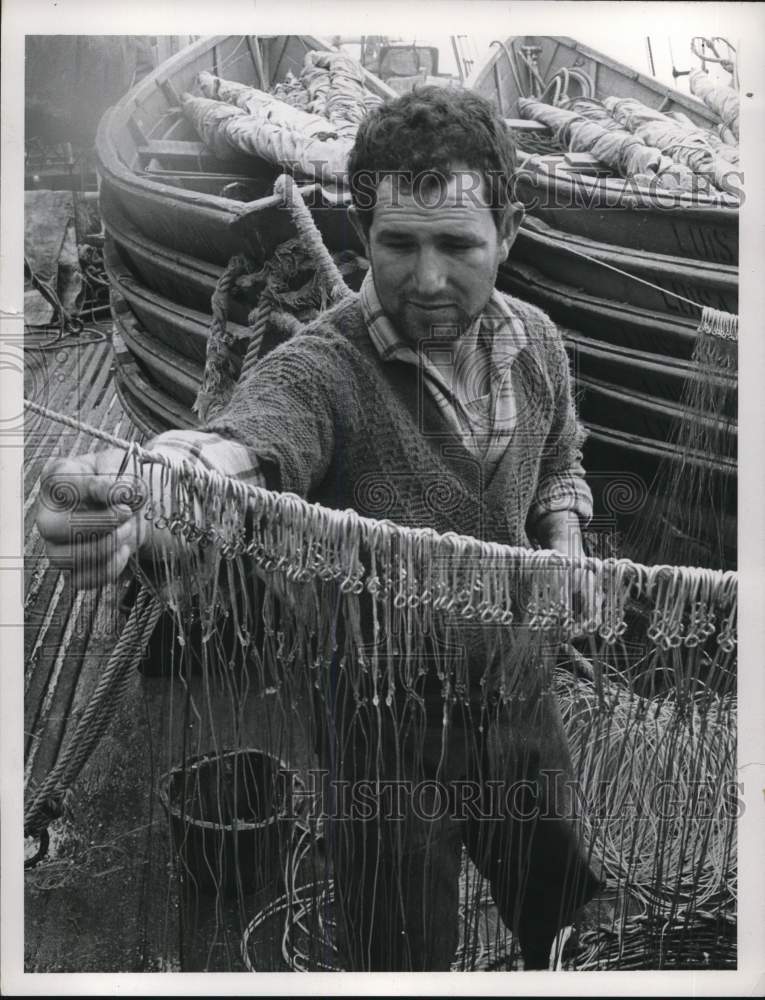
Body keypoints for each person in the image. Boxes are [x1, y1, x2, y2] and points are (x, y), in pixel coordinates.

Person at [36, 86, 602, 970]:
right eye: (395, 244)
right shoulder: (319, 372)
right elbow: (242, 453)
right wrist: (150, 492)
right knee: (400, 948)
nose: (425, 279)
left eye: (456, 245)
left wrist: (563, 540)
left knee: (559, 904)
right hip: (380, 727)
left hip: (521, 696)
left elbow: (561, 456)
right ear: (359, 234)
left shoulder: (537, 344)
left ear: (511, 232)